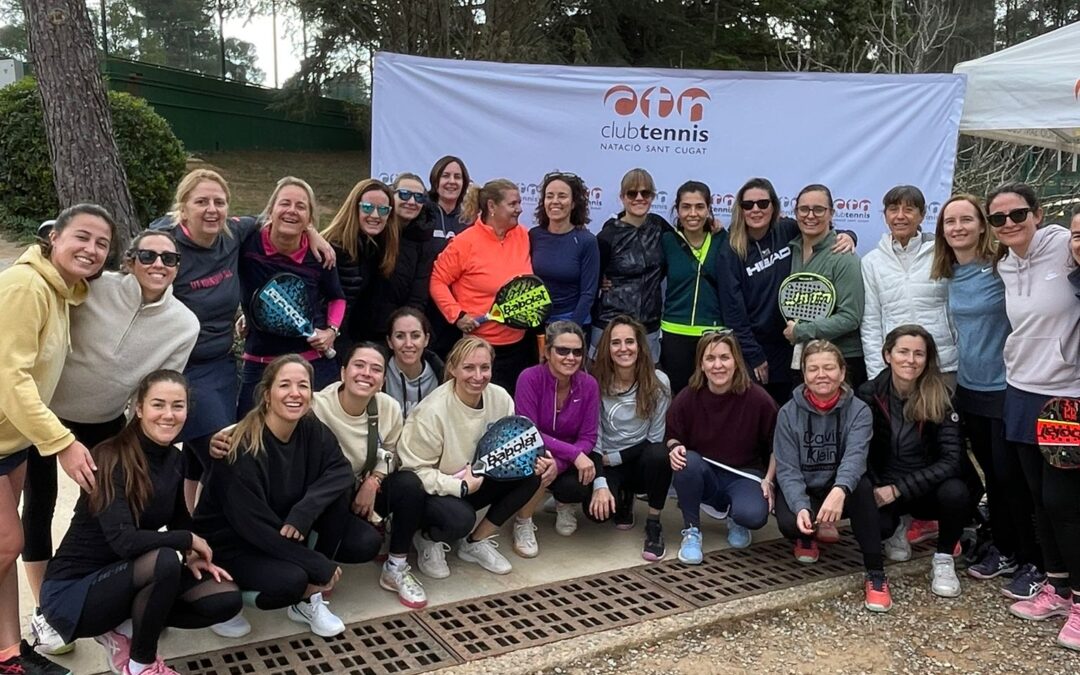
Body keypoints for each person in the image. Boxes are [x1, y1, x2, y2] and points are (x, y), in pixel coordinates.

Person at [24, 230, 200, 655]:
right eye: (148, 255)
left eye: (170, 258)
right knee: (40, 506)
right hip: (50, 412)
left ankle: (113, 598)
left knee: (110, 511)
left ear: (178, 267)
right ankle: (47, 609)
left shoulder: (184, 324)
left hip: (104, 421)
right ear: (130, 259)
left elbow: (160, 387)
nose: (158, 264)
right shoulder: (94, 289)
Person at [156, 169, 335, 512]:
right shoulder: (166, 245)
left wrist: (312, 232)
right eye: (201, 202)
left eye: (219, 202)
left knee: (216, 451)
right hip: (179, 367)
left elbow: (276, 216)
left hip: (220, 365)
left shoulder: (233, 232)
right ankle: (217, 528)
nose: (212, 209)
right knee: (224, 456)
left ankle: (194, 524)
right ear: (183, 207)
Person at [39, 371, 241, 675]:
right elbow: (125, 541)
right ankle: (140, 664)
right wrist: (185, 541)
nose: (168, 415)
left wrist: (193, 554)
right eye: (158, 404)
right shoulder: (109, 457)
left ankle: (125, 627)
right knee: (163, 560)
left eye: (178, 406)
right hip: (74, 592)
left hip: (129, 576)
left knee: (224, 597)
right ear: (139, 409)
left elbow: (179, 521)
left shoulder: (175, 460)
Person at [0, 203, 115, 675]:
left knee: (4, 550)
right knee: (8, 542)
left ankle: (9, 655)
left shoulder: (63, 293)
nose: (91, 249)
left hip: (11, 442)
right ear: (54, 238)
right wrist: (62, 442)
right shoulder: (26, 286)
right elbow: (10, 378)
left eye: (102, 243)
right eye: (82, 237)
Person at [194, 356, 376, 639]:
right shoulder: (239, 446)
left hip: (279, 525)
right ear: (267, 394)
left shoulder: (310, 427)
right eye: (285, 385)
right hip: (234, 542)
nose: (295, 393)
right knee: (292, 580)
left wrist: (305, 510)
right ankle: (222, 595)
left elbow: (340, 470)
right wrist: (314, 563)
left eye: (303, 386)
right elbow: (253, 527)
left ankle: (307, 601)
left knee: (354, 523)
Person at [930, 195, 1039, 591]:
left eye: (966, 219)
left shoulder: (1001, 268)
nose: (957, 227)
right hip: (969, 386)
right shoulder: (949, 274)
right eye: (950, 222)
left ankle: (1033, 560)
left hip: (1006, 386)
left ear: (981, 226)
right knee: (992, 476)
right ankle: (1005, 548)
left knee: (1011, 478)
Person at [989, 183, 1080, 651]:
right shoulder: (1004, 263)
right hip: (1021, 390)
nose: (1008, 223)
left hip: (1065, 395)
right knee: (1038, 499)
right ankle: (1058, 588)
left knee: (1065, 503)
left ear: (1038, 214)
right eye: (998, 218)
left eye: (1018, 214)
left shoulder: (1066, 247)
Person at [397, 337, 550, 577]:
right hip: (436, 490)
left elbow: (512, 445)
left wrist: (538, 458)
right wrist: (459, 486)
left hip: (477, 478)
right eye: (469, 368)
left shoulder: (500, 397)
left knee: (530, 475)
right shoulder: (432, 412)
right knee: (460, 519)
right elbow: (413, 471)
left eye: (484, 367)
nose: (478, 376)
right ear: (452, 368)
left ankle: (474, 542)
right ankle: (427, 537)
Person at [772, 340, 889, 612]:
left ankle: (876, 573)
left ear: (842, 371)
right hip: (808, 489)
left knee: (863, 489)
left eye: (829, 368)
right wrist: (801, 506)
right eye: (813, 369)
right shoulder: (787, 413)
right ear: (804, 374)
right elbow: (787, 468)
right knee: (789, 521)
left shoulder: (859, 410)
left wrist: (840, 490)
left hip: (841, 489)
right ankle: (807, 534)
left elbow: (856, 458)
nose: (821, 375)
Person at [719, 178, 857, 405]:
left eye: (763, 203)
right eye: (748, 205)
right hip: (756, 349)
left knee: (793, 409)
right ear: (740, 209)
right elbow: (732, 308)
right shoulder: (732, 247)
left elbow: (819, 228)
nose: (755, 209)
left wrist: (849, 235)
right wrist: (753, 354)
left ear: (773, 206)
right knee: (762, 410)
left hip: (793, 343)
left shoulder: (787, 230)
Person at [856, 326, 969, 598]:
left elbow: (952, 460)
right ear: (887, 355)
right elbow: (859, 449)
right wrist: (876, 485)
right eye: (903, 352)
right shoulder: (869, 393)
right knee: (878, 527)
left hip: (924, 487)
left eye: (919, 354)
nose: (910, 360)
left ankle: (943, 558)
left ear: (927, 359)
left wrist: (899, 489)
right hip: (884, 484)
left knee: (956, 492)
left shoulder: (942, 396)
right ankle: (898, 525)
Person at [236, 177, 346, 415]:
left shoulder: (321, 255)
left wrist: (331, 331)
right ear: (271, 209)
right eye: (285, 203)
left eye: (301, 206)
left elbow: (337, 297)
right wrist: (247, 313)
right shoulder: (247, 243)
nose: (292, 211)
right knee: (248, 431)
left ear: (310, 218)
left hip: (311, 362)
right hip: (259, 361)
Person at [666, 332, 778, 564]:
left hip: (744, 475)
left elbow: (778, 443)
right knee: (686, 461)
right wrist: (675, 448)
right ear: (701, 364)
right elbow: (672, 436)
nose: (718, 365)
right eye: (710, 358)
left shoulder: (757, 398)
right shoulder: (688, 396)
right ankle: (692, 531)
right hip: (705, 473)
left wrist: (769, 479)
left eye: (725, 357)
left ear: (736, 361)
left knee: (753, 515)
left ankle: (736, 518)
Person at [429, 179, 534, 395]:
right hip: (479, 349)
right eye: (513, 204)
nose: (519, 209)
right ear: (492, 206)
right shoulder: (464, 243)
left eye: (519, 203)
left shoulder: (523, 235)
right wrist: (457, 315)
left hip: (520, 346)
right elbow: (437, 281)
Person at [511, 322, 600, 557]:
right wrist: (574, 454)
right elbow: (528, 432)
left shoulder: (589, 384)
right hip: (535, 450)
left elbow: (589, 436)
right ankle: (523, 521)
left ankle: (563, 502)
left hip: (566, 459)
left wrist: (561, 462)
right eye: (562, 350)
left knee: (579, 482)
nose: (571, 358)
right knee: (540, 464)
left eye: (577, 352)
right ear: (547, 351)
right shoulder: (529, 378)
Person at [590, 316, 673, 561]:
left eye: (629, 341)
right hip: (607, 460)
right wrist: (600, 481)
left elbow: (655, 438)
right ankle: (623, 497)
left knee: (660, 455)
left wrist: (614, 458)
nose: (623, 348)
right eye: (616, 342)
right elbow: (595, 436)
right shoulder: (595, 382)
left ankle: (654, 523)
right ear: (607, 348)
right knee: (597, 515)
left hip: (640, 460)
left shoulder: (659, 381)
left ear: (640, 346)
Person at [860, 185, 958, 382]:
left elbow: (957, 310)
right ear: (885, 216)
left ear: (922, 215)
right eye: (893, 209)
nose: (900, 216)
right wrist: (877, 375)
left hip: (944, 365)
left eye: (909, 209)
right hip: (899, 368)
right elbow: (871, 322)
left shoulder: (942, 253)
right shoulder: (871, 262)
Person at [784, 184, 866, 386]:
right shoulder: (791, 249)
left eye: (819, 209)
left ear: (831, 213)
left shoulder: (844, 257)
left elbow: (850, 317)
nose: (810, 215)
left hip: (840, 361)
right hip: (804, 359)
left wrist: (801, 331)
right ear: (796, 213)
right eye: (804, 209)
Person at [591, 168, 669, 363]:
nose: (639, 198)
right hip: (610, 326)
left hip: (649, 328)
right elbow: (591, 279)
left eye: (646, 193)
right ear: (622, 197)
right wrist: (600, 282)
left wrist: (711, 226)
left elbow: (686, 243)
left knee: (647, 380)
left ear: (653, 197)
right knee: (604, 379)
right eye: (632, 193)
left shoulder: (659, 227)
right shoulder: (607, 236)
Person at [660, 180, 727, 395]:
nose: (693, 213)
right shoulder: (667, 240)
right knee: (679, 396)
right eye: (686, 207)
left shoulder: (723, 240)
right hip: (674, 333)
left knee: (712, 397)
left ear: (709, 209)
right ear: (677, 210)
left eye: (699, 207)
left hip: (713, 334)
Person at [320, 178, 395, 353]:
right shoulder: (332, 247)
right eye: (367, 207)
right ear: (354, 208)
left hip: (361, 342)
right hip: (332, 341)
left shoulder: (381, 247)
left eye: (383, 209)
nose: (375, 215)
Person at [359, 173, 436, 342]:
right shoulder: (373, 227)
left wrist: (402, 334)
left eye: (419, 197)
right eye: (404, 194)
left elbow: (418, 296)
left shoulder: (425, 241)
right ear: (392, 196)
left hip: (397, 333)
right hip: (358, 325)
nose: (412, 202)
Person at [528, 172, 599, 330]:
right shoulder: (533, 235)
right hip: (536, 321)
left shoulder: (587, 241)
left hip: (573, 321)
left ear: (573, 203)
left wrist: (571, 330)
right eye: (549, 196)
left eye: (562, 196)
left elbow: (588, 294)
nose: (555, 201)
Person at [426, 156, 472, 358]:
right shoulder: (422, 212)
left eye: (457, 177)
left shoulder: (470, 218)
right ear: (435, 180)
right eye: (445, 176)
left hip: (458, 307)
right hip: (425, 302)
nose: (451, 181)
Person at [384, 307, 445, 419]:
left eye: (415, 336)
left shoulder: (442, 377)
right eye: (400, 336)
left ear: (426, 339)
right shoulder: (378, 374)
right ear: (390, 342)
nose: (408, 344)